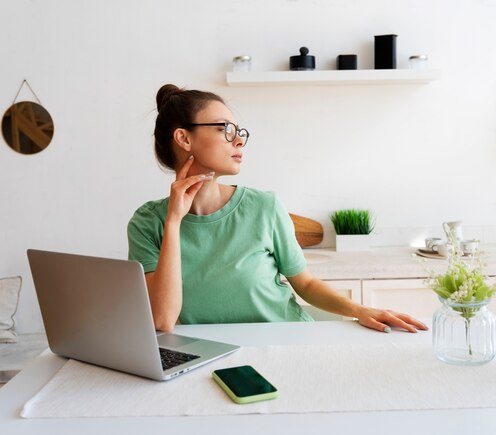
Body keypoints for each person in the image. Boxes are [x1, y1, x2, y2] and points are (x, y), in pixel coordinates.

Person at [127, 84, 428, 334]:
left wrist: (360, 310)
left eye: (239, 130)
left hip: (286, 341)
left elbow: (305, 283)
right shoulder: (148, 222)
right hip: (214, 356)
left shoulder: (264, 207)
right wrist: (174, 221)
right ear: (184, 138)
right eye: (226, 129)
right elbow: (162, 321)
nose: (239, 139)